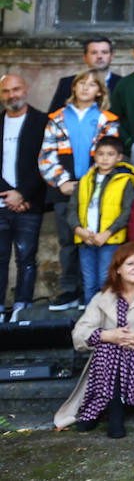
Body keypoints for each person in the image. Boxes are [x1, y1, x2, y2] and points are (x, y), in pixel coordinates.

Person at [52, 241, 134, 435]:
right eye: (130, 263)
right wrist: (107, 335)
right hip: (110, 362)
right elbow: (79, 332)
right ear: (118, 268)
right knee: (109, 345)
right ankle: (115, 411)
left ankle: (99, 413)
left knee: (122, 346)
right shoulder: (106, 295)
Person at [39, 69, 121, 311]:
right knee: (68, 241)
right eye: (81, 83)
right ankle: (68, 290)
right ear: (73, 88)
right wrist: (62, 181)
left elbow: (112, 155)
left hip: (96, 190)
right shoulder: (57, 118)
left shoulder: (107, 119)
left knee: (93, 240)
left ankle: (91, 292)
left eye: (91, 84)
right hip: (65, 188)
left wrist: (91, 184)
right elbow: (46, 154)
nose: (86, 88)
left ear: (99, 91)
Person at [0, 74, 48, 321]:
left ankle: (22, 308)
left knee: (26, 258)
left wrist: (23, 194)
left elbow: (45, 162)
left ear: (26, 89)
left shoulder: (41, 121)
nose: (12, 95)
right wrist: (9, 193)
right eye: (6, 91)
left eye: (16, 89)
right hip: (1, 202)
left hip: (29, 203)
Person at [70, 135, 134, 305]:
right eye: (101, 154)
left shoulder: (124, 181)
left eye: (110, 154)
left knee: (105, 279)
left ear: (119, 157)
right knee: (89, 282)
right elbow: (72, 208)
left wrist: (107, 233)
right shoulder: (85, 180)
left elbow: (127, 211)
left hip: (110, 239)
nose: (105, 158)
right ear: (94, 156)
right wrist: (79, 230)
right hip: (86, 239)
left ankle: (109, 322)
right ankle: (90, 323)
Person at [48, 36, 122, 113]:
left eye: (104, 52)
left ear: (111, 57)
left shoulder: (123, 84)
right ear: (85, 57)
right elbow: (54, 116)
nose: (99, 56)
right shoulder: (67, 83)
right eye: (94, 53)